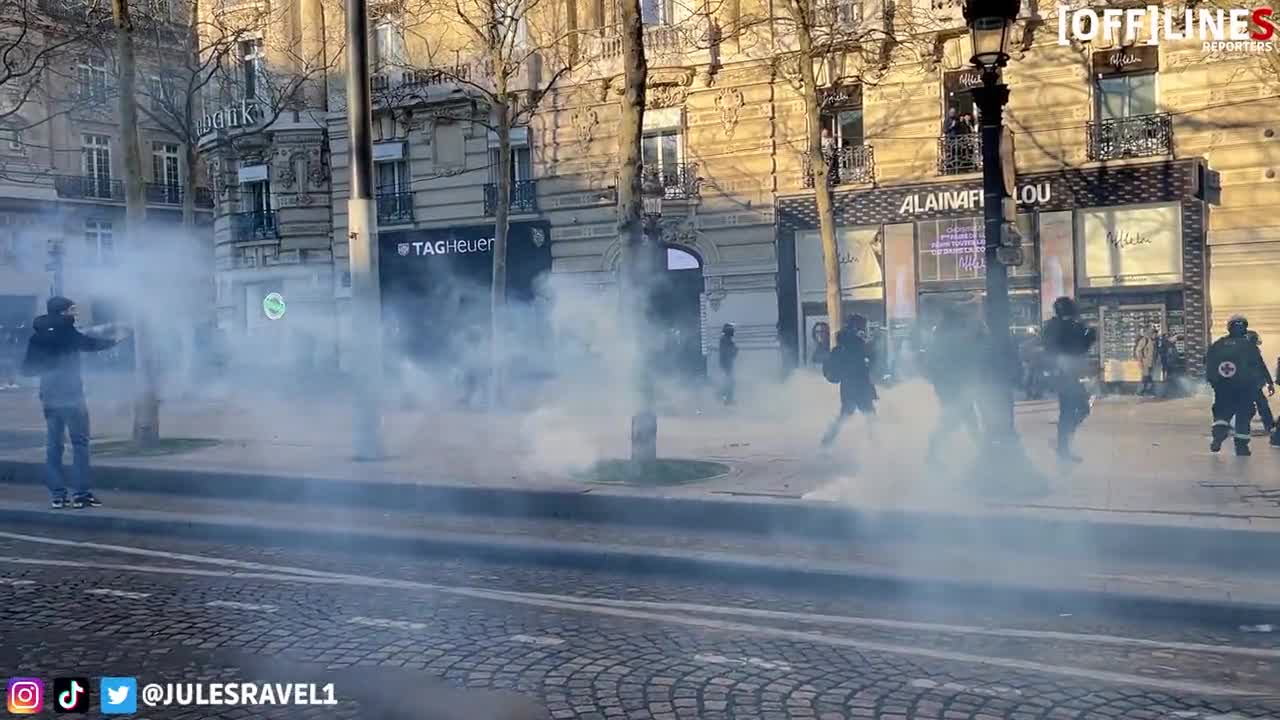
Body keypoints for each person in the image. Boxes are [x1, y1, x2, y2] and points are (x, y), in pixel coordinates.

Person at [20, 296, 126, 509]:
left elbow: (27, 370)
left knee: (54, 446)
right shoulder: (68, 333)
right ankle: (81, 494)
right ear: (61, 312)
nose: (75, 314)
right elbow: (90, 344)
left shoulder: (37, 336)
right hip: (71, 395)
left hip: (49, 396)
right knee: (79, 444)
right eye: (72, 310)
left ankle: (57, 496)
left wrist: (47, 368)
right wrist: (117, 340)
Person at [923, 307, 984, 466]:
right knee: (959, 420)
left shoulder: (941, 335)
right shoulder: (950, 337)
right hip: (953, 386)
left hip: (950, 386)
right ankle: (933, 454)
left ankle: (933, 453)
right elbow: (960, 359)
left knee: (961, 419)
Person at [1205, 315, 1272, 456]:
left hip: (1223, 389)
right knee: (1243, 416)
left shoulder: (1218, 344)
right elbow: (1259, 366)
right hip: (1245, 389)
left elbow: (1207, 362)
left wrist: (1214, 383)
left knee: (1222, 414)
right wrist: (1266, 383)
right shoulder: (1249, 346)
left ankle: (1218, 436)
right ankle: (1241, 448)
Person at [1043, 297, 1097, 463]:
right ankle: (1063, 444)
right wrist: (1090, 333)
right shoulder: (1074, 327)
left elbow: (1048, 347)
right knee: (1079, 409)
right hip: (1070, 375)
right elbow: (1082, 346)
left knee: (1067, 411)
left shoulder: (1051, 326)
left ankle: (1063, 443)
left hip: (1059, 374)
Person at [820, 314, 877, 449]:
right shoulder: (856, 343)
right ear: (858, 326)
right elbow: (866, 361)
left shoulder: (845, 342)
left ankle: (827, 441)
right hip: (859, 386)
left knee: (846, 414)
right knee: (870, 416)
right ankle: (876, 445)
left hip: (848, 387)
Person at [1249, 331, 1275, 434]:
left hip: (1250, 385)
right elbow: (1262, 368)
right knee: (1262, 405)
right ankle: (1269, 426)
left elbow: (1262, 367)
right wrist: (1269, 383)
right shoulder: (1253, 351)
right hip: (1252, 385)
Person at [1134, 325, 1159, 396]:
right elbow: (1138, 350)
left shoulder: (1154, 342)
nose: (1155, 335)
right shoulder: (1145, 340)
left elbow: (1155, 353)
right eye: (1153, 333)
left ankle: (1147, 391)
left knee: (1149, 377)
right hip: (1145, 363)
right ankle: (1139, 392)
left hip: (1151, 363)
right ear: (1150, 333)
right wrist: (1140, 361)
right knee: (1145, 377)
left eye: (1156, 333)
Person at [718, 323, 738, 406]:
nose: (733, 332)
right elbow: (728, 352)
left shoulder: (725, 339)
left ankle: (728, 399)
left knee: (729, 382)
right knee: (729, 382)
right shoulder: (726, 340)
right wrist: (735, 350)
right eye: (732, 330)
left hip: (726, 363)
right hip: (726, 364)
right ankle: (727, 399)